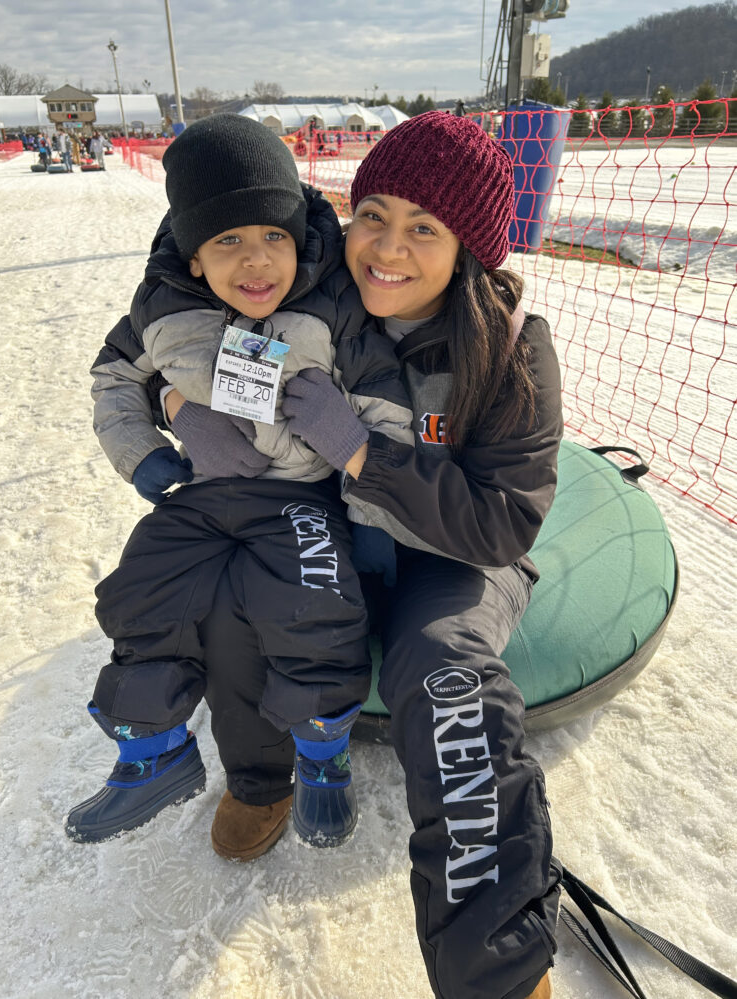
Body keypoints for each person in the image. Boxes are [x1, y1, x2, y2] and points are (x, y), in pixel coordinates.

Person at [87, 111, 564, 999]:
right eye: (372, 214)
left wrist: (363, 454)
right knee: (242, 594)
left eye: (424, 227)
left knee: (448, 672)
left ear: (469, 246)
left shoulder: (508, 350)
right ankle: (262, 777)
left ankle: (495, 963)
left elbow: (503, 524)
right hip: (324, 527)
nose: (386, 247)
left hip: (449, 556)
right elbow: (159, 340)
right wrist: (174, 404)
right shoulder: (311, 295)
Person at [66, 114, 413, 854]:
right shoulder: (161, 307)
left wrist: (371, 507)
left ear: (298, 238)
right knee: (141, 589)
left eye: (273, 237)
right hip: (201, 488)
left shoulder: (331, 302)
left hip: (297, 491)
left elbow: (383, 397)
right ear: (193, 257)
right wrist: (148, 447)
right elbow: (112, 379)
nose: (255, 263)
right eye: (227, 241)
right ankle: (150, 749)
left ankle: (320, 755)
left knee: (308, 601)